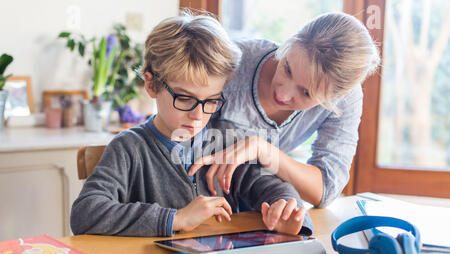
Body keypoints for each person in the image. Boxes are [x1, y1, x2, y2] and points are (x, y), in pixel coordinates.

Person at [70, 12, 314, 237]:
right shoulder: (129, 148)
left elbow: (271, 187)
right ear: (152, 85)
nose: (198, 115)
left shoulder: (227, 139)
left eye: (211, 101)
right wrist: (176, 218)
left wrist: (285, 209)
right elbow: (85, 213)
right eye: (184, 98)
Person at [188, 12, 381, 219]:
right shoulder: (234, 61)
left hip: (259, 211)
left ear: (337, 96)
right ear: (290, 42)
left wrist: (263, 150)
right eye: (287, 69)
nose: (282, 94)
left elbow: (325, 190)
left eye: (306, 92)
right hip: (197, 201)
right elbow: (175, 132)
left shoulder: (346, 101)